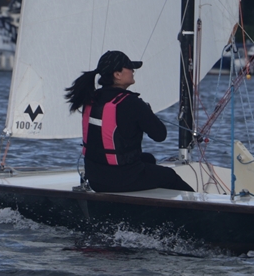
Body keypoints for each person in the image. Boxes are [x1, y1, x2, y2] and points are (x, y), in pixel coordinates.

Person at [65, 50, 194, 193]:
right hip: (123, 179)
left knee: (148, 159)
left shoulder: (91, 99)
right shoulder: (132, 103)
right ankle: (196, 205)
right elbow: (160, 135)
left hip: (95, 179)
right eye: (129, 68)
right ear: (117, 74)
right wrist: (147, 111)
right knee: (170, 176)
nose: (133, 71)